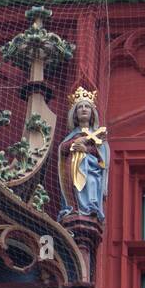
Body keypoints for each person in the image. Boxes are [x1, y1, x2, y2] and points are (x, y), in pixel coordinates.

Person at [58, 88, 110, 222]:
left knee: (91, 182)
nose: (84, 109)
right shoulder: (72, 135)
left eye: (87, 106)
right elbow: (63, 149)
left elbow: (102, 158)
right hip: (74, 167)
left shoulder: (97, 135)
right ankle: (75, 207)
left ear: (92, 113)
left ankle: (91, 208)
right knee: (75, 185)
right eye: (80, 107)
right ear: (75, 114)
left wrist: (86, 150)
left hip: (92, 169)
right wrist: (76, 142)